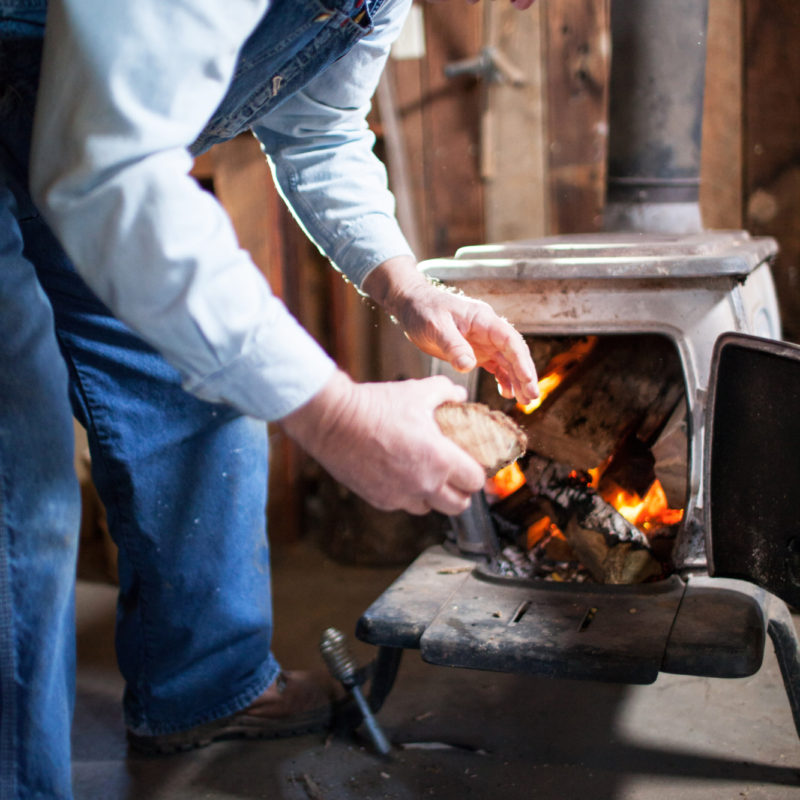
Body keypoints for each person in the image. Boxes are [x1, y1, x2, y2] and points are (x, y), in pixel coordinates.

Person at [0, 0, 537, 795]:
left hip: (83, 123)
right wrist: (339, 418)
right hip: (79, 123)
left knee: (204, 378)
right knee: (22, 483)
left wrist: (407, 287)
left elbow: (318, 130)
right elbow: (110, 168)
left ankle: (200, 691)